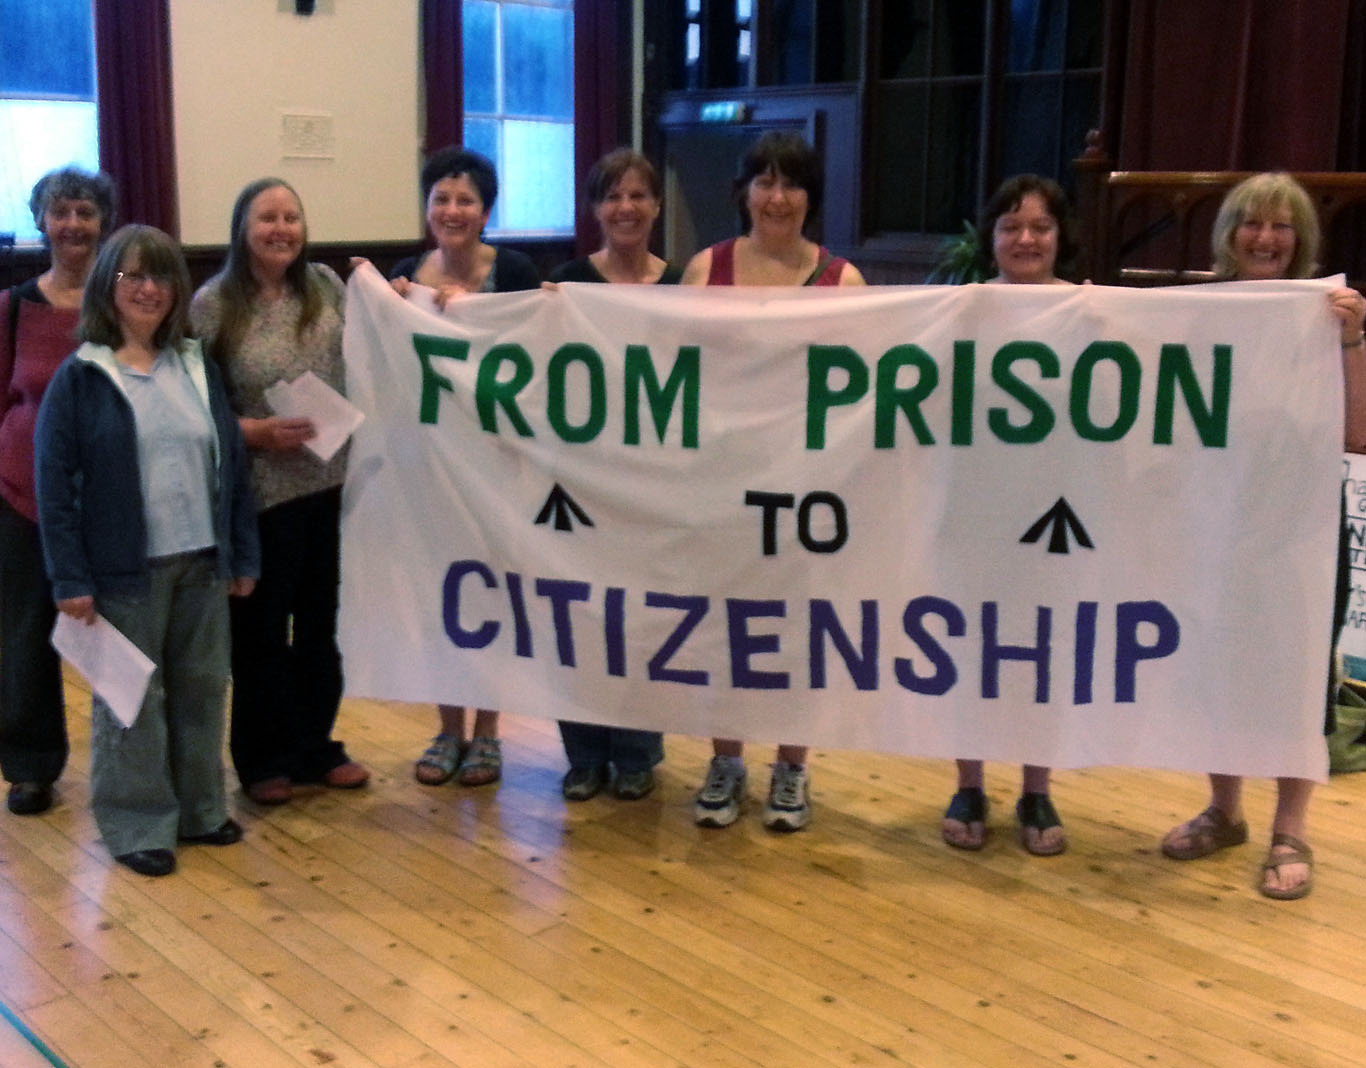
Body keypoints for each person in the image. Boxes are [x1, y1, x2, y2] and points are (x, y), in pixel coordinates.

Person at [1160, 172, 1366, 899]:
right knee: (1218, 666)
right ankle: (1225, 810)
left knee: (1299, 668)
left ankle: (1291, 828)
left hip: (1303, 527)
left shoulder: (1326, 316)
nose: (1266, 238)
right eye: (1253, 223)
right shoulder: (1199, 312)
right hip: (1219, 520)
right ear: (1229, 235)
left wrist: (1351, 341)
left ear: (1300, 240)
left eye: (1282, 226)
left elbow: (1357, 436)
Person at [34, 224, 259, 877]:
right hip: (120, 573)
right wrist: (68, 578)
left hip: (201, 564)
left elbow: (233, 469)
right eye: (132, 276)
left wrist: (241, 556)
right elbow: (55, 491)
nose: (148, 289)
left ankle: (200, 812)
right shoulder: (81, 379)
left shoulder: (196, 365)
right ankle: (137, 825)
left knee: (201, 693)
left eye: (160, 276)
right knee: (132, 703)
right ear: (109, 286)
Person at [681, 130, 865, 831]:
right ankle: (726, 760)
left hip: (809, 480)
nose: (777, 197)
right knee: (723, 621)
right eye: (763, 181)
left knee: (799, 627)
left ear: (810, 198)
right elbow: (665, 362)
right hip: (722, 477)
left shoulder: (842, 282)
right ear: (744, 192)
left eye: (791, 183)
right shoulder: (707, 268)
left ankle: (792, 768)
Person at [190, 178, 367, 806]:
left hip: (330, 485)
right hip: (260, 497)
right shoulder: (213, 304)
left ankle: (315, 747)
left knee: (320, 628)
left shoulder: (324, 286)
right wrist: (256, 432)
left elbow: (376, 345)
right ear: (243, 227)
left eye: (292, 216)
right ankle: (263, 758)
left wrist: (398, 295)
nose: (282, 228)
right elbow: (191, 407)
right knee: (262, 634)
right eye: (268, 217)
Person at [391, 146, 540, 788]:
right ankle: (447, 727)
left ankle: (488, 732)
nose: (453, 211)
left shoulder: (516, 271)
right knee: (439, 594)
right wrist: (392, 304)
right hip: (431, 464)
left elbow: (543, 355)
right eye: (441, 199)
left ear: (486, 212)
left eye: (466, 200)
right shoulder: (404, 276)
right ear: (427, 209)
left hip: (502, 464)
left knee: (494, 593)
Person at [941, 174, 1078, 857]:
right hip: (972, 508)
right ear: (990, 238)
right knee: (970, 647)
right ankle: (969, 782)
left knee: (1040, 652)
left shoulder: (1092, 310)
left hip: (1058, 512)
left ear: (1060, 237)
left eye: (1041, 228)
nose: (1026, 239)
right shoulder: (959, 309)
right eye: (1011, 227)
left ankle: (1036, 786)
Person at [548, 148, 677, 801]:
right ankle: (582, 752)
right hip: (582, 481)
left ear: (656, 206)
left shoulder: (685, 288)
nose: (625, 208)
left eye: (638, 195)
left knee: (644, 618)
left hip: (659, 484)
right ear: (595, 209)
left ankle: (635, 752)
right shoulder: (566, 283)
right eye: (612, 196)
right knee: (579, 617)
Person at [0, 167, 115, 817]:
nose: (72, 223)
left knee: (118, 633)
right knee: (24, 636)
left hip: (106, 497)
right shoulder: (12, 308)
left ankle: (129, 760)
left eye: (84, 211)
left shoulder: (127, 300)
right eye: (60, 211)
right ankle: (31, 765)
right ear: (40, 220)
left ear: (104, 222)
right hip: (21, 496)